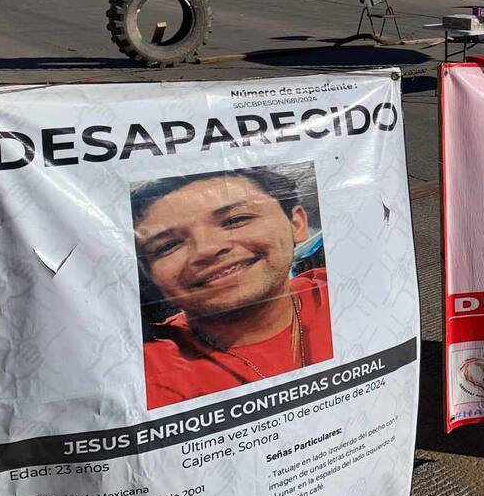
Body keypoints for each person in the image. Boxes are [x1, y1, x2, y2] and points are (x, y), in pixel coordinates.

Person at [132, 167, 333, 410]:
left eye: (235, 220)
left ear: (296, 224)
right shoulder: (140, 370)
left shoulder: (351, 297)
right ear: (150, 276)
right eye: (168, 246)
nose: (207, 249)